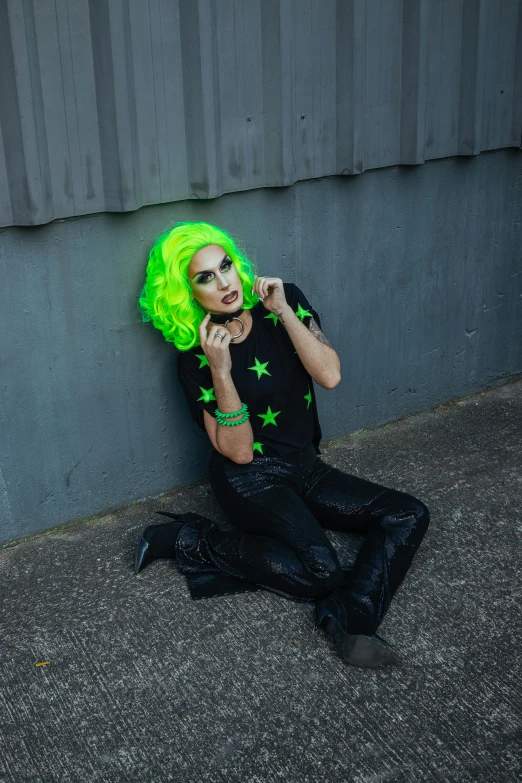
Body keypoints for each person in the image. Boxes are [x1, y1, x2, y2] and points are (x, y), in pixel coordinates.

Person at [136, 221, 430, 668]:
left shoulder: (285, 299)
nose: (225, 282)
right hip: (250, 479)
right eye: (205, 277)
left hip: (306, 467)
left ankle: (349, 613)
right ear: (187, 293)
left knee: (409, 514)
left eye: (226, 266)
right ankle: (192, 539)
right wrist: (220, 369)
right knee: (321, 570)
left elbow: (330, 375)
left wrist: (285, 313)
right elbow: (237, 452)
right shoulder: (194, 358)